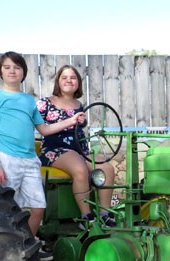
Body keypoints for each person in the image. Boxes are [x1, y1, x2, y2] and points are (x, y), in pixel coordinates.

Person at [0, 51, 64, 260]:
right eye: (8, 67)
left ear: (23, 72)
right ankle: (6, 253)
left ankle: (27, 246)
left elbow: (44, 129)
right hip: (6, 157)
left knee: (38, 207)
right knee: (10, 208)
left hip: (29, 160)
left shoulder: (29, 101)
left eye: (17, 67)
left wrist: (70, 122)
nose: (12, 71)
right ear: (1, 71)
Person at [37, 65, 117, 227]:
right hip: (55, 150)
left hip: (80, 150)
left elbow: (80, 127)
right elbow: (40, 128)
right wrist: (70, 121)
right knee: (79, 169)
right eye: (64, 77)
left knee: (107, 168)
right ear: (58, 81)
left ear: (78, 83)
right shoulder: (44, 103)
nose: (69, 80)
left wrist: (82, 121)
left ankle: (104, 213)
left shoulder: (78, 104)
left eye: (73, 78)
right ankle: (86, 216)